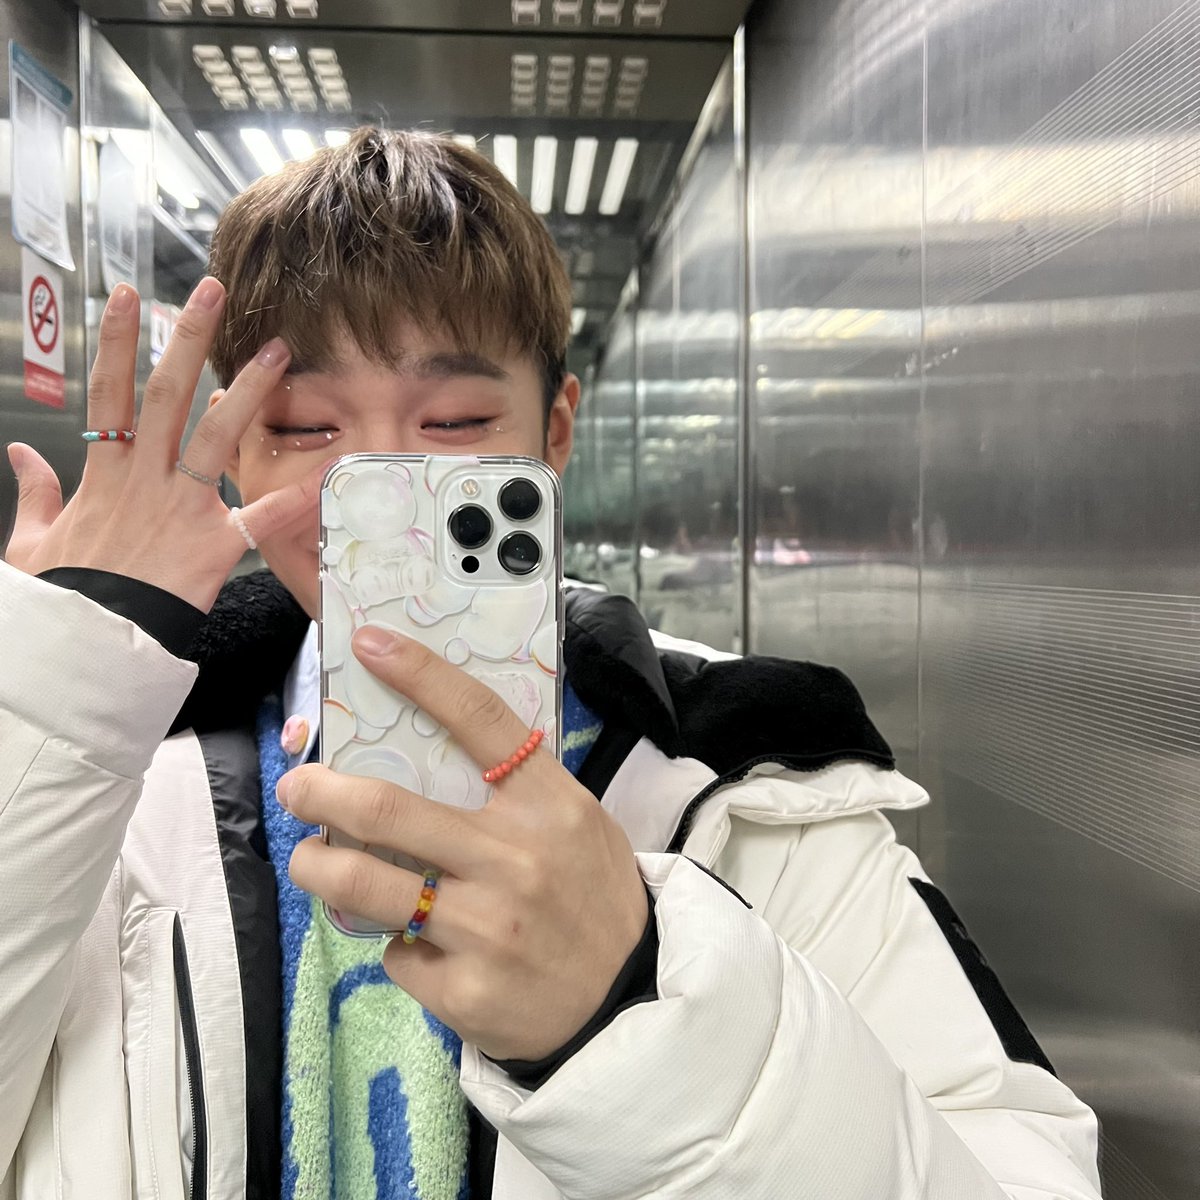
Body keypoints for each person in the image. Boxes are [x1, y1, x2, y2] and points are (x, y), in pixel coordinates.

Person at [0, 128, 1103, 1200]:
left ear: (555, 435)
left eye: (456, 421)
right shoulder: (109, 762)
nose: (382, 489)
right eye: (302, 428)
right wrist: (48, 699)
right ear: (236, 449)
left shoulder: (757, 781)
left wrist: (632, 1013)